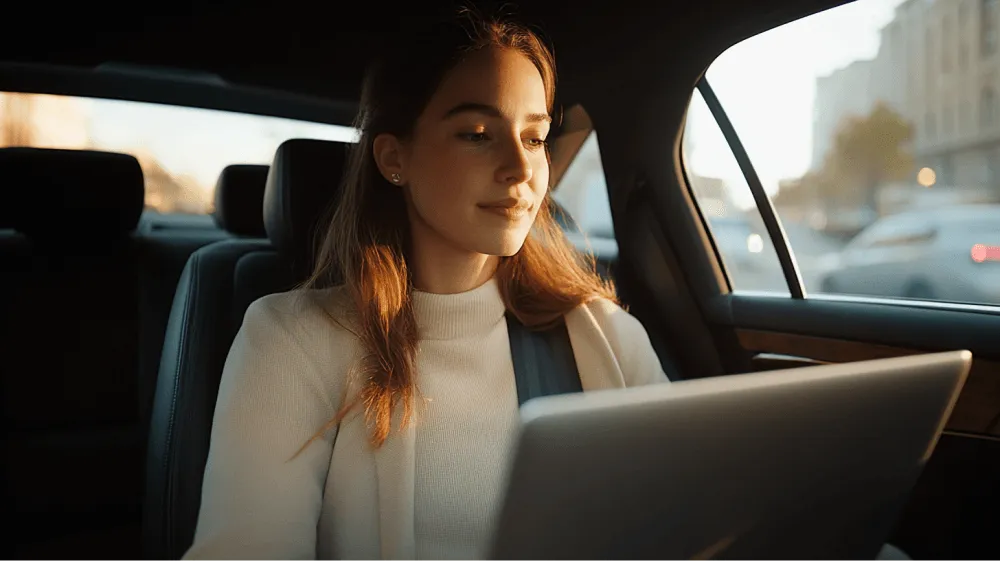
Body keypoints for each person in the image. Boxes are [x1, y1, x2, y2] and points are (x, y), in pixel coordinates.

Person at [181, 9, 669, 561]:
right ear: (395, 158)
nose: (519, 168)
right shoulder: (290, 341)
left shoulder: (608, 337)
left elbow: (681, 523)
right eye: (478, 135)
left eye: (534, 138)